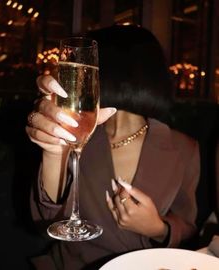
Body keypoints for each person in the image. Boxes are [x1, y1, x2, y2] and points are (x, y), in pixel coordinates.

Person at [26, 25, 200, 270]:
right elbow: (46, 222)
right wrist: (53, 151)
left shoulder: (184, 148)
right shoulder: (76, 131)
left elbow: (187, 225)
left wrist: (158, 228)